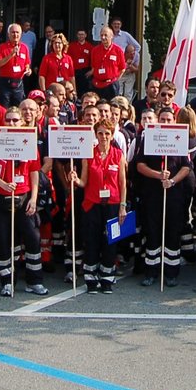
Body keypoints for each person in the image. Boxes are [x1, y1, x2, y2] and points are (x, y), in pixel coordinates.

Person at [0, 112, 47, 297]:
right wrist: (4, 184)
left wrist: (34, 198)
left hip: (24, 196)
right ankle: (7, 281)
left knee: (32, 237)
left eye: (15, 120)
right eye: (8, 120)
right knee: (4, 240)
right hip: (1, 197)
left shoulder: (29, 143)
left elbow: (34, 173)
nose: (12, 123)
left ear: (22, 122)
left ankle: (34, 281)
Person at [136, 106, 194, 287]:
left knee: (172, 233)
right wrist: (158, 175)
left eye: (169, 120)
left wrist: (173, 181)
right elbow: (140, 165)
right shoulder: (148, 138)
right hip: (153, 194)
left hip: (174, 194)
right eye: (163, 119)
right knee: (153, 233)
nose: (166, 123)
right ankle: (151, 271)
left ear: (174, 121)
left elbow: (186, 167)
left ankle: (171, 272)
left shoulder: (180, 140)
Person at [72, 117, 127, 293]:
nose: (103, 137)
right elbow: (84, 182)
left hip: (112, 204)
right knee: (92, 240)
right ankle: (91, 278)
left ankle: (107, 279)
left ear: (112, 135)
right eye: (100, 133)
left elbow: (123, 183)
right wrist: (75, 180)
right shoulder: (88, 155)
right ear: (96, 135)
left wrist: (122, 206)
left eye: (107, 133)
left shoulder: (118, 155)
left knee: (110, 242)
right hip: (92, 204)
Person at [0, 23, 32, 109]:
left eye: (17, 32)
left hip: (19, 83)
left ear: (21, 34)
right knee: (4, 109)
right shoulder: (2, 47)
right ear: (8, 34)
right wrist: (11, 55)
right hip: (5, 84)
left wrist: (28, 70)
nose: (15, 35)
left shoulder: (24, 47)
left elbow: (27, 64)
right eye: (13, 32)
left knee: (19, 109)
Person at [89, 25, 128, 98]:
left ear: (111, 36)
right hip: (97, 84)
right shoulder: (95, 50)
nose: (103, 37)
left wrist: (114, 80)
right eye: (101, 35)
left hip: (111, 85)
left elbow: (122, 69)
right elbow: (93, 67)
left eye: (105, 35)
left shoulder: (118, 50)